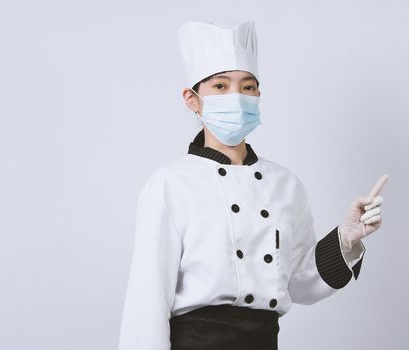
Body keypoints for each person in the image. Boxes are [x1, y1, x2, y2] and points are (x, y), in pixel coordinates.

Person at [117, 20, 388, 350]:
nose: (237, 96)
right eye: (220, 86)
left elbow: (300, 284)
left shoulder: (286, 185)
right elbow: (147, 303)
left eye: (247, 86)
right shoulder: (169, 186)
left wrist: (346, 239)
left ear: (258, 94)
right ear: (192, 99)